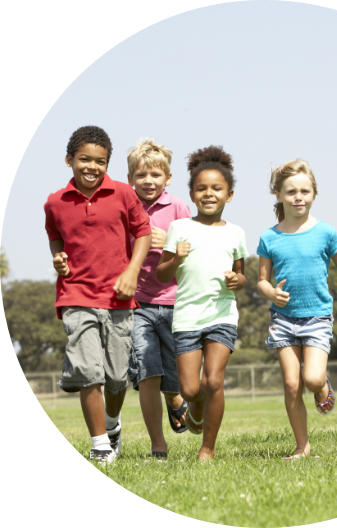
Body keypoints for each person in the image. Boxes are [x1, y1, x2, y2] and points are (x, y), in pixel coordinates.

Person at [44, 126, 152, 463]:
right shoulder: (55, 202)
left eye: (100, 161)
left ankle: (112, 422)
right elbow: (55, 236)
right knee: (88, 371)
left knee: (118, 377)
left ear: (108, 163)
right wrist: (58, 258)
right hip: (76, 295)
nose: (92, 166)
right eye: (84, 159)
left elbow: (144, 232)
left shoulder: (123, 194)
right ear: (69, 160)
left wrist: (132, 272)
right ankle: (100, 444)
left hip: (118, 298)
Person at [257, 159, 337, 460]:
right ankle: (302, 447)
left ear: (314, 194)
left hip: (317, 317)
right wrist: (270, 292)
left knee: (312, 379)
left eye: (305, 191)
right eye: (291, 191)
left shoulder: (326, 232)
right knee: (292, 384)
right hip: (282, 319)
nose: (298, 197)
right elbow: (261, 282)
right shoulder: (269, 237)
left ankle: (322, 389)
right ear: (278, 194)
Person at [157, 145, 248, 461]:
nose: (209, 194)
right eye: (202, 188)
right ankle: (194, 411)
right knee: (192, 390)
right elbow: (161, 273)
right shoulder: (179, 228)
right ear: (192, 194)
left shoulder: (236, 233)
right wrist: (176, 256)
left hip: (222, 315)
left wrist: (237, 282)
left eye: (217, 188)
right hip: (186, 318)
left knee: (213, 381)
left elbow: (241, 275)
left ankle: (207, 448)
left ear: (229, 195)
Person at [126, 138, 192, 458]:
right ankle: (158, 445)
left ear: (167, 178)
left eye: (155, 175)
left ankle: (175, 397)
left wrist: (171, 241)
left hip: (176, 302)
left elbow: (194, 252)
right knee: (147, 372)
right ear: (130, 179)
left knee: (177, 377)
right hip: (138, 305)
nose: (148, 181)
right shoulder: (124, 207)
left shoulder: (178, 208)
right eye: (141, 175)